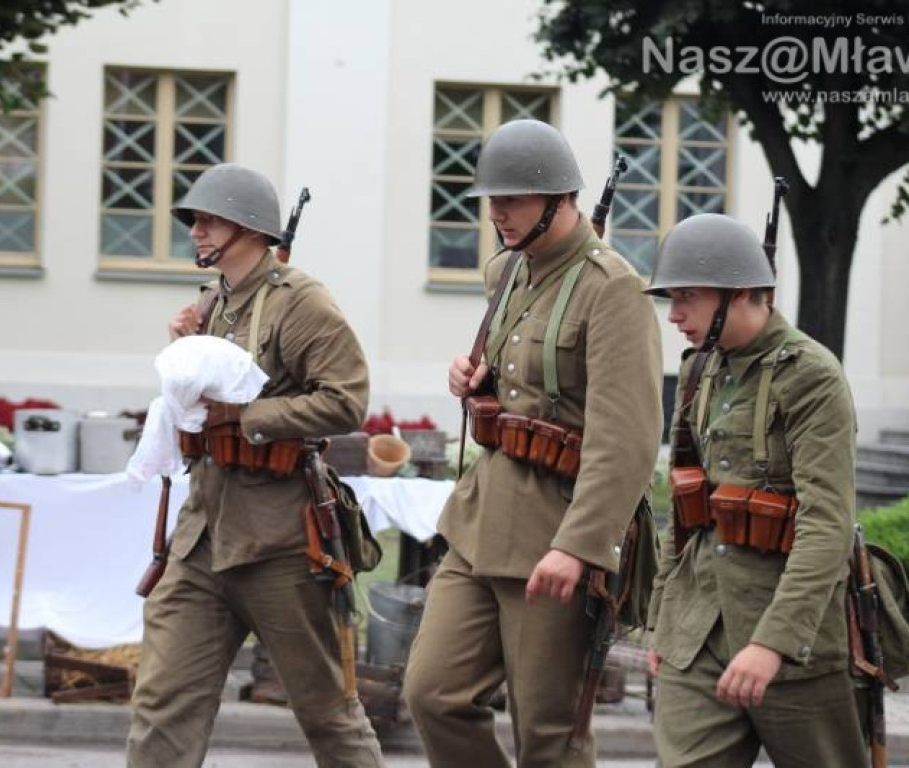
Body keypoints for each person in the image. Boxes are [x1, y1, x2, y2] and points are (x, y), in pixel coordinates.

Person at [404, 119, 663, 768]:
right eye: (492, 200)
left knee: (548, 735)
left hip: (555, 530)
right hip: (481, 519)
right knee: (432, 693)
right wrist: (475, 380)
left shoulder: (613, 291)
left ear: (560, 199)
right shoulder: (509, 272)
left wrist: (580, 547)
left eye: (512, 200)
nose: (499, 214)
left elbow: (626, 439)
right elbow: (522, 375)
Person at [126, 163, 385, 768]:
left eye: (210, 219)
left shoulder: (303, 304)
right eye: (195, 220)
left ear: (250, 228)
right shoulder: (215, 304)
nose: (197, 230)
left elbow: (347, 399)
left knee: (327, 712)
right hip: (201, 538)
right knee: (161, 703)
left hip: (280, 542)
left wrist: (246, 418)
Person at [644, 213, 867, 768]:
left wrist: (773, 644)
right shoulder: (698, 370)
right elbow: (686, 505)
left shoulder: (811, 375)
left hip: (794, 644)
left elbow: (826, 526)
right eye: (672, 297)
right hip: (696, 631)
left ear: (741, 293)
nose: (673, 315)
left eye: (687, 297)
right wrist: (662, 621)